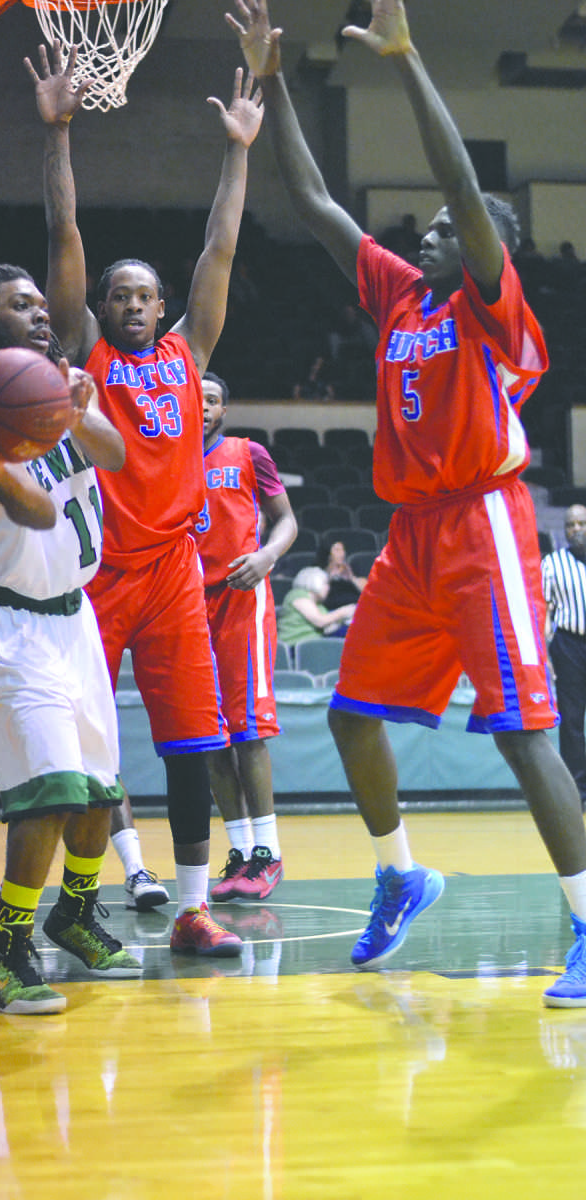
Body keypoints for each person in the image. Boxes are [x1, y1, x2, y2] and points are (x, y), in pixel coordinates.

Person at [229, 0, 586, 1006]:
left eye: (443, 229)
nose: (425, 231)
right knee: (350, 715)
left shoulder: (488, 299)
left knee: (522, 733)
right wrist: (274, 78)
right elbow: (311, 202)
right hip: (411, 535)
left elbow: (465, 191)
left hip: (483, 525)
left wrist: (404, 56)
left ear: (482, 251)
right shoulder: (397, 296)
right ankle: (399, 874)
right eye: (424, 229)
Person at [25, 41, 263, 954]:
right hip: (97, 575)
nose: (127, 304)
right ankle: (81, 896)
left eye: (141, 295)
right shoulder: (86, 356)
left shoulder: (185, 355)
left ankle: (196, 910)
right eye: (117, 295)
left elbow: (221, 246)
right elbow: (64, 241)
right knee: (86, 751)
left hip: (174, 575)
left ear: (162, 310)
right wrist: (58, 135)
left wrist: (238, 151)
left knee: (195, 748)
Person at [0, 259, 141, 1013]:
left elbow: (119, 457)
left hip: (74, 618)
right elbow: (35, 514)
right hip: (11, 624)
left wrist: (81, 412)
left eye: (38, 302)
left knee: (98, 790)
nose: (40, 313)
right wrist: (18, 448)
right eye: (19, 306)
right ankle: (7, 955)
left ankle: (75, 912)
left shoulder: (61, 393)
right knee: (50, 790)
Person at [198, 371, 297, 901]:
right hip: (190, 606)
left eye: (213, 400)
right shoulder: (169, 458)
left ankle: (268, 852)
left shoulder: (247, 452)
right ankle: (238, 854)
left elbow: (286, 522)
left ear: (224, 410)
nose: (206, 407)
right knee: (211, 737)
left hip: (242, 599)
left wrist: (265, 557)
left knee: (249, 731)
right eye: (198, 399)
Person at [542, 505, 586, 811]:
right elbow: (544, 612)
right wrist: (545, 654)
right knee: (571, 720)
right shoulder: (553, 563)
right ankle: (577, 791)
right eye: (571, 524)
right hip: (569, 645)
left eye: (582, 522)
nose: (576, 528)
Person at [277, 566, 356, 647]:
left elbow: (328, 629)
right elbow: (320, 621)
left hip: (315, 643)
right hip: (295, 644)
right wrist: (343, 612)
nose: (328, 588)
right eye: (325, 584)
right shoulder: (298, 595)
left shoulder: (319, 605)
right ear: (315, 582)